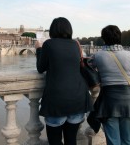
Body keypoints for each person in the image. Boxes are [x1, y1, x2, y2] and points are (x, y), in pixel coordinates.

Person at [35, 17, 93, 145]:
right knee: (71, 140)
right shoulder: (75, 44)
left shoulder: (49, 44)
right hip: (78, 98)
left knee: (55, 141)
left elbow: (40, 68)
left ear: (52, 30)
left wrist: (38, 49)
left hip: (57, 100)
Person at [89, 25, 130, 145]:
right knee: (127, 139)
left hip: (109, 101)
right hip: (128, 101)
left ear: (104, 39)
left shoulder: (98, 55)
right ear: (120, 38)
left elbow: (89, 72)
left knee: (113, 140)